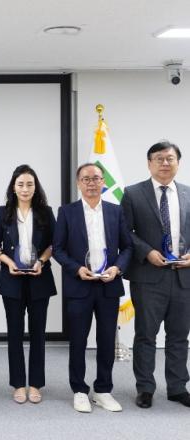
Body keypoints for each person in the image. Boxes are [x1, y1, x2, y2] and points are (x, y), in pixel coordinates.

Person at [52, 163, 131, 413]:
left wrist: (117, 268)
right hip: (80, 285)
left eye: (96, 178)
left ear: (103, 182)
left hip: (109, 285)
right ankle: (79, 390)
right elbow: (58, 249)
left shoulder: (115, 211)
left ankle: (103, 389)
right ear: (78, 183)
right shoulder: (67, 212)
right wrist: (77, 269)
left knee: (106, 340)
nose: (91, 183)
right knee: (78, 340)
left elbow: (128, 246)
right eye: (86, 179)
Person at [121, 140, 190, 409]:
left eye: (170, 158)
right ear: (149, 163)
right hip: (148, 276)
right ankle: (145, 388)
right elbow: (125, 232)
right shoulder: (133, 193)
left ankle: (178, 387)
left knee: (179, 336)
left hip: (183, 277)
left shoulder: (188, 193)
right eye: (159, 158)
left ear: (178, 163)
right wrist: (147, 251)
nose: (165, 163)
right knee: (146, 335)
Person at [0, 165, 57, 404]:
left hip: (39, 278)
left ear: (35, 187)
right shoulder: (2, 212)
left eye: (29, 184)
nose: (25, 189)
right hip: (12, 280)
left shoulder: (46, 212)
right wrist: (8, 262)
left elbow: (55, 243)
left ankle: (35, 384)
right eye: (21, 184)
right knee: (15, 333)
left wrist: (41, 261)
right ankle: (18, 384)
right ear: (13, 187)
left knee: (38, 334)